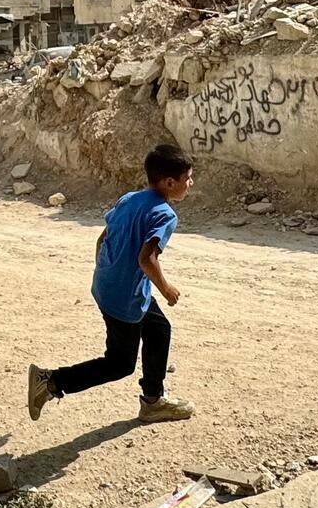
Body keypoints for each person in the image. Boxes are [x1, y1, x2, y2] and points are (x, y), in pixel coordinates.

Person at [27, 142, 194, 424]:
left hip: (110, 286)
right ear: (169, 182)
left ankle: (153, 400)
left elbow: (103, 237)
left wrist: (106, 271)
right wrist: (167, 289)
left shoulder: (129, 198)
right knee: (119, 364)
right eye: (187, 178)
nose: (191, 183)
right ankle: (51, 381)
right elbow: (146, 260)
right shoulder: (165, 214)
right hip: (124, 297)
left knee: (159, 329)